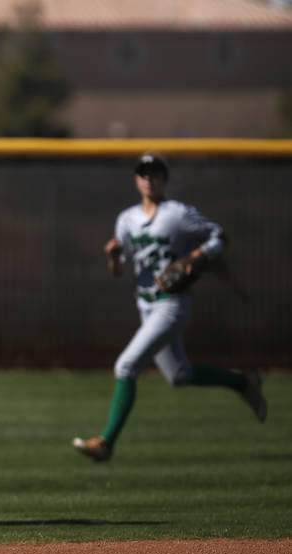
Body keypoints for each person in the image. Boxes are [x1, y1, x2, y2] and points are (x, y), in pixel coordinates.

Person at [72, 153, 266, 462]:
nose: (149, 179)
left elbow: (219, 236)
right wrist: (112, 257)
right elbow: (119, 270)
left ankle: (106, 443)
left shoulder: (178, 214)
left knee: (125, 367)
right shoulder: (126, 219)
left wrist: (198, 256)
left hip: (172, 305)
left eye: (156, 174)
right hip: (146, 304)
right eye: (144, 174)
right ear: (136, 179)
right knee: (179, 375)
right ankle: (244, 382)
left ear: (164, 179)